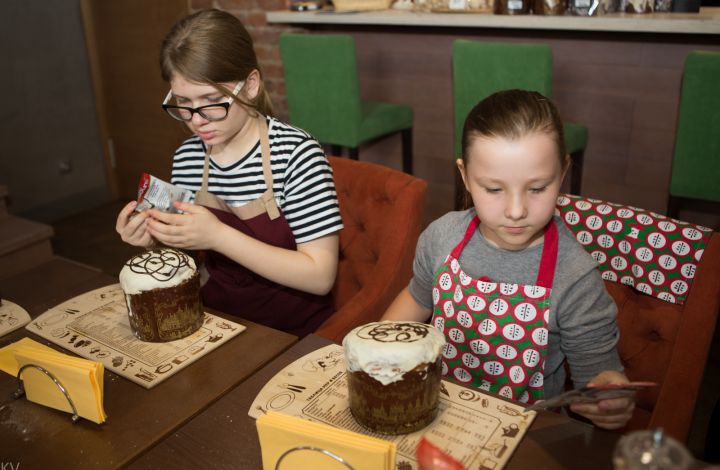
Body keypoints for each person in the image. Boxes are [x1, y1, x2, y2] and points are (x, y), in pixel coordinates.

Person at [381, 89, 634, 429]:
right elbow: (417, 299)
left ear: (562, 172)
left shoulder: (575, 276)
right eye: (494, 189)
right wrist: (377, 350)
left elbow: (598, 374)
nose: (516, 211)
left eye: (537, 188)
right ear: (465, 176)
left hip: (526, 431)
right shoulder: (441, 236)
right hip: (438, 412)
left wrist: (610, 399)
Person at [115, 9, 343, 337]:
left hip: (291, 331)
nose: (197, 120)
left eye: (211, 100)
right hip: (217, 320)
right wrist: (153, 241)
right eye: (183, 102)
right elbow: (187, 258)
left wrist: (218, 236)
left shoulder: (295, 154)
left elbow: (320, 277)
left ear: (250, 85)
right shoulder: (189, 156)